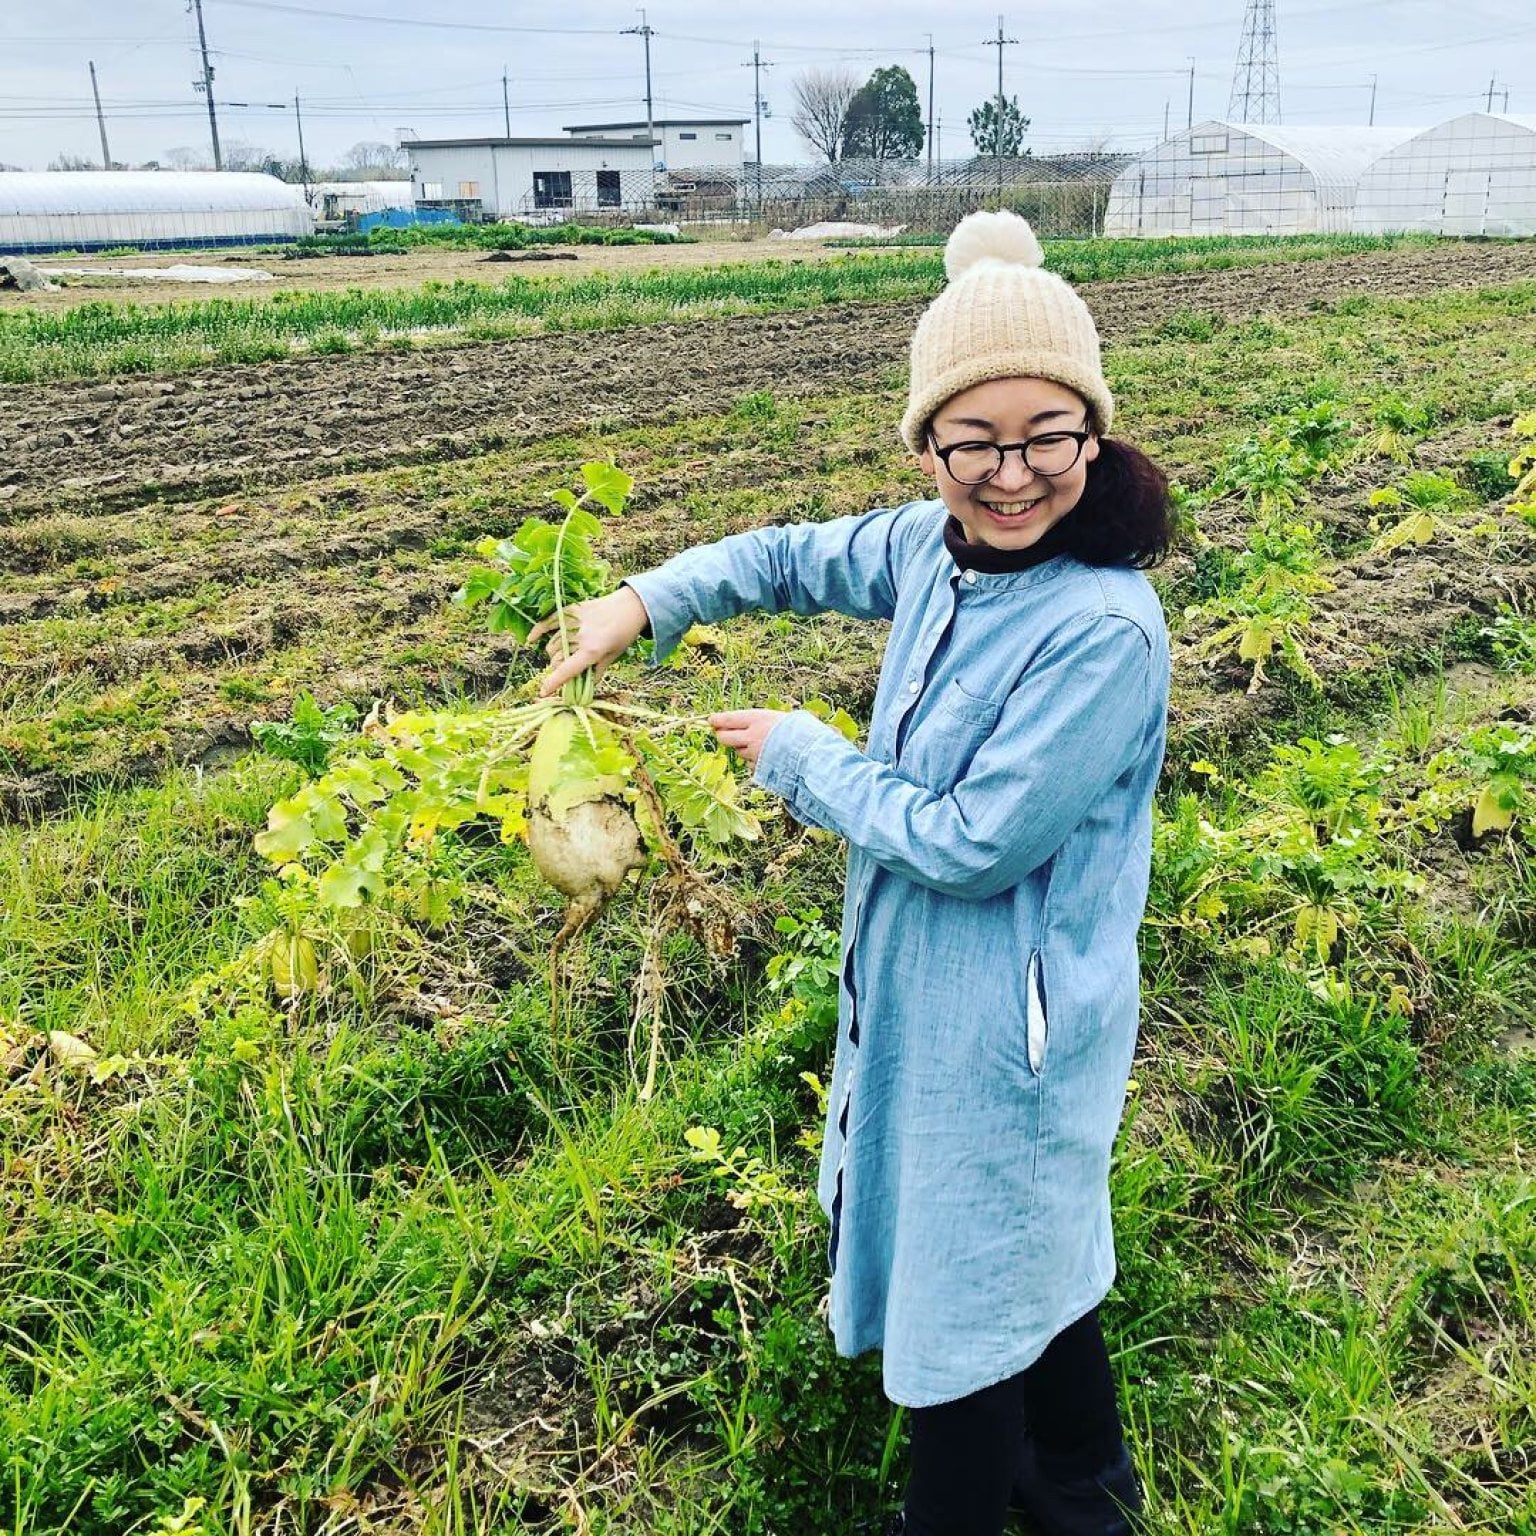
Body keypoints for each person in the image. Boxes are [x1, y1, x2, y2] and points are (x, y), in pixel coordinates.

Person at [533, 209, 1174, 1536]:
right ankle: (1089, 1488)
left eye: (1046, 436)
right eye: (972, 440)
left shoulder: (1103, 632)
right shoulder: (929, 556)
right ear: (928, 441)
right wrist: (642, 602)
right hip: (928, 999)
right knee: (1023, 1256)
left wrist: (803, 756)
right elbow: (780, 557)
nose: (1010, 475)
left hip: (1012, 1032)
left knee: (967, 1291)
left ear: (1092, 435)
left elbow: (973, 842)